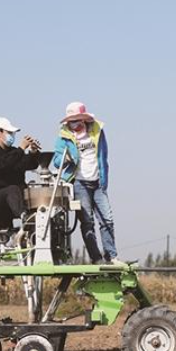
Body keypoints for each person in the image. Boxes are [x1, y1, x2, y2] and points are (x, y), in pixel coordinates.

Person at [52, 102, 123, 266]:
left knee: (107, 219)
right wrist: (66, 158)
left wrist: (105, 177)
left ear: (84, 119)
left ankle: (111, 256)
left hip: (98, 182)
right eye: (71, 121)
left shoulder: (97, 131)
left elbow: (104, 154)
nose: (75, 124)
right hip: (79, 183)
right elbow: (56, 160)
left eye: (77, 120)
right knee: (87, 221)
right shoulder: (64, 136)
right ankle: (96, 258)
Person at [0, 117, 42, 230]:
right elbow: (4, 164)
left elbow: (28, 164)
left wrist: (33, 152)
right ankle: (25, 217)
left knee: (32, 194)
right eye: (9, 132)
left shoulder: (13, 152)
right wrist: (21, 148)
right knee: (12, 189)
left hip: (15, 199)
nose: (12, 135)